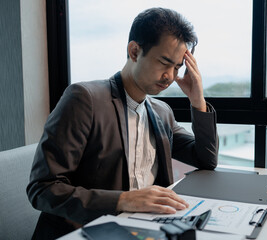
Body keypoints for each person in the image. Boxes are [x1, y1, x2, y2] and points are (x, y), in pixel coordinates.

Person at [27, 7, 218, 239]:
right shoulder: (84, 99)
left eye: (177, 67)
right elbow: (43, 189)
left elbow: (206, 159)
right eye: (164, 62)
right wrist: (123, 200)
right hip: (85, 231)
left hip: (144, 229)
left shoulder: (161, 112)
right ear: (135, 51)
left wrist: (197, 100)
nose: (170, 76)